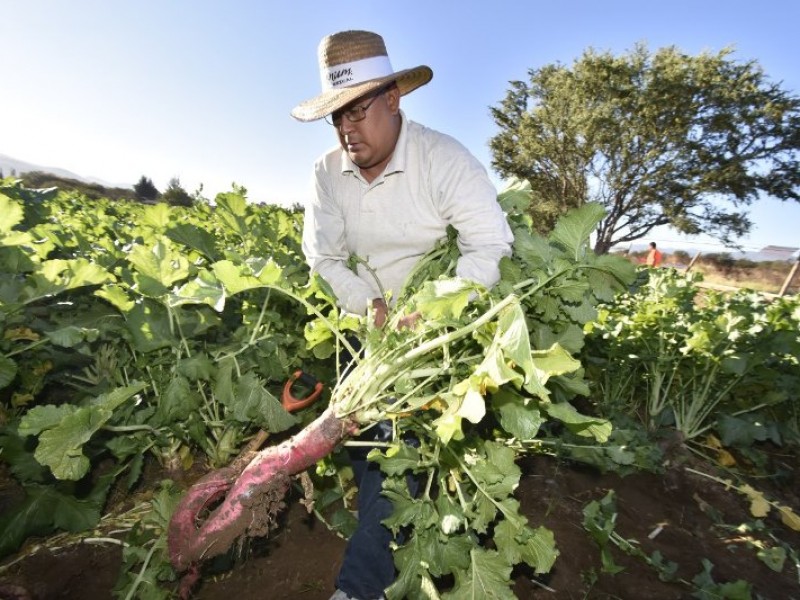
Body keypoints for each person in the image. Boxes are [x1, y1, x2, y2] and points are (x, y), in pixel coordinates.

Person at [292, 30, 514, 600]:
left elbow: (490, 246)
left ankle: (359, 589)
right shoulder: (326, 172)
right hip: (361, 329)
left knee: (396, 455)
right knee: (367, 446)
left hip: (429, 343)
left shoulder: (444, 159)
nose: (346, 129)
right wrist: (368, 303)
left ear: (394, 98)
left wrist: (433, 311)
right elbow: (322, 258)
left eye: (358, 110)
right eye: (336, 116)